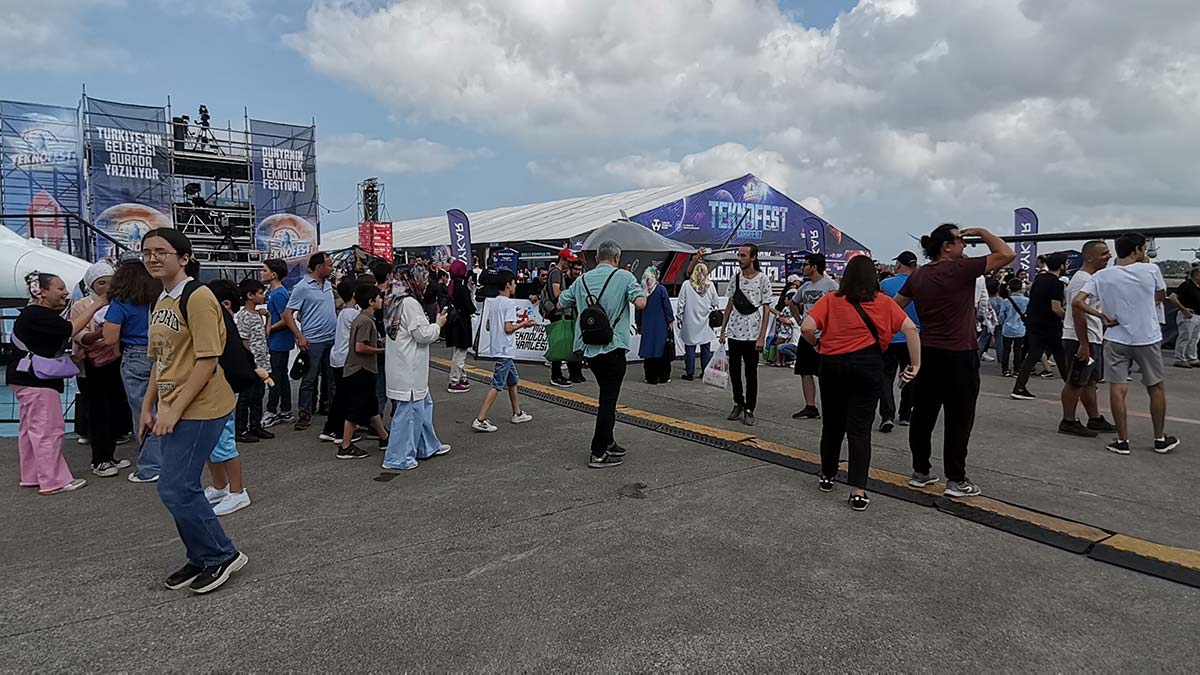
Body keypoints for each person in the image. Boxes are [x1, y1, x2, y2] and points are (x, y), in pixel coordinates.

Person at [138, 228, 247, 594]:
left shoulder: (197, 296)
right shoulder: (161, 299)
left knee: (176, 487)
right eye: (147, 251)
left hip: (201, 406)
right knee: (177, 487)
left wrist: (172, 409)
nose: (153, 258)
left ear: (184, 258)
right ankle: (202, 554)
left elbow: (207, 360)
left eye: (161, 251)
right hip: (174, 404)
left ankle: (221, 554)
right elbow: (160, 359)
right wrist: (148, 406)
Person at [894, 223, 1015, 497]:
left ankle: (921, 471)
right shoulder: (962, 269)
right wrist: (983, 233)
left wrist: (910, 331)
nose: (965, 245)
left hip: (927, 351)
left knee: (923, 415)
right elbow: (1006, 254)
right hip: (959, 353)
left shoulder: (919, 275)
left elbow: (894, 307)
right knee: (959, 418)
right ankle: (956, 479)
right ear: (946, 246)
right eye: (961, 241)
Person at [801, 256, 920, 511]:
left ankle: (827, 475)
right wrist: (916, 364)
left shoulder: (831, 301)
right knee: (860, 429)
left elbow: (807, 327)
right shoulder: (885, 303)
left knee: (832, 425)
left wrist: (816, 344)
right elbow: (910, 329)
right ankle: (857, 490)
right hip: (868, 366)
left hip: (832, 366)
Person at [1072, 233, 1178, 455]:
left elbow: (1077, 301)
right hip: (1146, 337)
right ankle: (1159, 438)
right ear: (1138, 249)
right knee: (1155, 387)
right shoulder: (1151, 270)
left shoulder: (1103, 276)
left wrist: (1102, 317)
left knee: (1117, 389)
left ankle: (1122, 441)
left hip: (1115, 337)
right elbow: (1159, 296)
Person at [8, 272, 108, 494]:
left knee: (30, 430)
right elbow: (70, 329)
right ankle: (53, 480)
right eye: (60, 288)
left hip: (23, 378)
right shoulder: (38, 314)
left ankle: (33, 475)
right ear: (42, 292)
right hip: (37, 382)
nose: (64, 293)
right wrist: (98, 303)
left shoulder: (31, 315)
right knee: (48, 430)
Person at [557, 240, 647, 467]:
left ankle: (608, 442)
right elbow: (641, 303)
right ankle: (598, 452)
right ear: (617, 258)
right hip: (613, 347)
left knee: (607, 395)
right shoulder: (625, 277)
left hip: (589, 350)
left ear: (597, 259)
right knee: (608, 400)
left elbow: (561, 302)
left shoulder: (581, 280)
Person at [382, 265, 450, 471]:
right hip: (409, 368)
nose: (426, 282)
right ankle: (398, 457)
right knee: (409, 413)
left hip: (401, 365)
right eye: (423, 277)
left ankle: (426, 445)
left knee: (421, 407)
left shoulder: (393, 299)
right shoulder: (410, 303)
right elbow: (423, 335)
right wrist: (438, 324)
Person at [103, 253, 164, 482]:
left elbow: (109, 337)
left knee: (144, 412)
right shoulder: (159, 295)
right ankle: (172, 460)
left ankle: (151, 467)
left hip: (136, 355)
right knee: (167, 408)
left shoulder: (122, 300)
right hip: (164, 353)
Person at [74, 261, 134, 477]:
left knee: (115, 409)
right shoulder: (82, 306)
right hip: (92, 366)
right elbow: (79, 336)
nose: (107, 287)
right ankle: (100, 459)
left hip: (116, 361)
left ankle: (110, 455)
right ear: (91, 284)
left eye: (111, 282)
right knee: (98, 411)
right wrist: (102, 332)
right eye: (101, 283)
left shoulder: (120, 303)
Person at [204, 279, 254, 517]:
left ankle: (237, 490)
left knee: (223, 441)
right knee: (209, 441)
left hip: (221, 388)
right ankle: (219, 485)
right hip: (209, 389)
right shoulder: (216, 319)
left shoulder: (221, 322)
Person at [1059, 241, 1118, 437]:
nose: (1108, 257)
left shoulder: (1091, 279)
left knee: (1089, 381)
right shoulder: (1082, 280)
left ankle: (1094, 419)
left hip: (1092, 337)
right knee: (1075, 382)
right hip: (1079, 338)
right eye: (1103, 254)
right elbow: (1077, 312)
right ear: (1089, 257)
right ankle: (1068, 421)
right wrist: (1083, 344)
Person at [472, 270, 536, 432]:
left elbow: (487, 325)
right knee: (497, 384)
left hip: (497, 347)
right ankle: (481, 418)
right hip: (505, 349)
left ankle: (517, 412)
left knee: (513, 380)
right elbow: (508, 328)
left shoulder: (494, 302)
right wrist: (524, 324)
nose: (515, 286)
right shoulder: (509, 304)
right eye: (514, 283)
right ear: (508, 284)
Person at [283, 251, 337, 431]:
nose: (331, 268)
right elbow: (288, 314)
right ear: (319, 267)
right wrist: (299, 336)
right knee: (309, 379)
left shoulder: (328, 284)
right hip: (313, 341)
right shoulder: (302, 287)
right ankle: (304, 413)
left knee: (331, 378)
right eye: (329, 265)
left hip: (331, 338)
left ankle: (329, 407)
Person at [336, 284, 392, 460]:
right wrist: (381, 351)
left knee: (371, 406)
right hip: (360, 369)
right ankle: (345, 446)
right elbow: (360, 347)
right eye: (379, 298)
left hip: (360, 369)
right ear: (371, 302)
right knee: (356, 408)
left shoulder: (362, 318)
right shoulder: (366, 321)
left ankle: (384, 437)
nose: (381, 301)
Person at [720, 244, 772, 426]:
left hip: (752, 333)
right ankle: (738, 402)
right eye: (739, 255)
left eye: (743, 256)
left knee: (751, 373)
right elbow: (729, 305)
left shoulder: (763, 279)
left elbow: (766, 310)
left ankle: (750, 408)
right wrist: (723, 329)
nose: (740, 259)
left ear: (753, 258)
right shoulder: (735, 279)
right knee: (734, 371)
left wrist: (762, 336)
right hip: (735, 332)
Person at [1011, 253, 1069, 400]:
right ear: (1061, 266)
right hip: (1049, 325)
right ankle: (1073, 388)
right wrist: (1067, 318)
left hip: (1034, 323)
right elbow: (1056, 308)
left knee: (1033, 355)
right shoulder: (1056, 283)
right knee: (1060, 356)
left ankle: (1019, 387)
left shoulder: (1039, 279)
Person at [788, 253, 839, 420]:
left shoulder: (831, 285)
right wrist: (799, 320)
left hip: (825, 335)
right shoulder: (805, 287)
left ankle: (831, 406)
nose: (803, 267)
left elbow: (841, 306)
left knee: (826, 373)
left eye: (806, 264)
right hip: (807, 334)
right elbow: (793, 303)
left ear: (814, 267)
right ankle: (810, 406)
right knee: (805, 371)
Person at [878, 251, 920, 431]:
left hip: (890, 336)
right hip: (914, 337)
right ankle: (905, 414)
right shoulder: (921, 284)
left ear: (899, 265)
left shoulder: (886, 284)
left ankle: (887, 415)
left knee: (885, 377)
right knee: (910, 373)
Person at [233, 278, 275, 444]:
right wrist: (249, 362)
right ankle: (241, 429)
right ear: (249, 295)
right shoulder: (243, 316)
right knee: (246, 396)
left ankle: (255, 425)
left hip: (262, 361)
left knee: (259, 394)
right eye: (260, 293)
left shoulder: (258, 314)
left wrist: (268, 319)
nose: (263, 296)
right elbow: (244, 341)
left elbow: (265, 336)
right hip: (251, 363)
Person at [318, 281, 359, 444]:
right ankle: (342, 432)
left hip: (337, 357)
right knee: (347, 397)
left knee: (340, 396)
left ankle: (330, 429)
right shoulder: (353, 314)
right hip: (346, 359)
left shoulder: (343, 312)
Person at [260, 259, 294, 429]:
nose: (261, 272)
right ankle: (286, 409)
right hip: (277, 340)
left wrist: (268, 330)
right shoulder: (273, 292)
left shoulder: (279, 294)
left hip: (279, 341)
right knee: (281, 375)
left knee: (275, 376)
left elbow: (284, 319)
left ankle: (272, 411)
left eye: (264, 270)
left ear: (273, 274)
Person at [544, 249, 584, 387]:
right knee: (559, 344)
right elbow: (557, 294)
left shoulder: (555, 272)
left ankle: (558, 374)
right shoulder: (556, 273)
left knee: (560, 343)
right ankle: (556, 375)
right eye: (569, 262)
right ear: (562, 260)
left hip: (556, 313)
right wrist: (571, 294)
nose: (570, 265)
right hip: (558, 313)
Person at [676, 262, 719, 380]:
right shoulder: (710, 286)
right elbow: (716, 302)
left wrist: (679, 318)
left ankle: (690, 373)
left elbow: (681, 303)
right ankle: (705, 371)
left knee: (689, 347)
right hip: (705, 322)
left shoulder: (686, 285)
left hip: (689, 321)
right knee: (706, 348)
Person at [636, 266, 675, 384]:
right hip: (661, 326)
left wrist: (639, 323)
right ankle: (663, 377)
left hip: (647, 326)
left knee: (649, 352)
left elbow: (638, 308)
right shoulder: (661, 289)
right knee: (662, 351)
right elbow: (667, 307)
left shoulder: (641, 291)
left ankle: (651, 377)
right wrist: (670, 320)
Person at [444, 259, 476, 392]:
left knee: (457, 352)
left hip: (453, 324)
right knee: (460, 354)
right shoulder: (462, 289)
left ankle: (462, 377)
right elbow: (471, 308)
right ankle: (454, 381)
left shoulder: (451, 286)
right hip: (462, 324)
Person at [1168, 265, 1200, 367]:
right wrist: (1183, 309)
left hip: (1197, 316)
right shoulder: (1186, 285)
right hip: (1188, 315)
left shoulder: (1198, 287)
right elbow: (1173, 297)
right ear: (1197, 275)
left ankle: (1192, 357)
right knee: (1185, 337)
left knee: (1194, 338)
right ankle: (1180, 358)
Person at [996, 278, 1029, 378]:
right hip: (1021, 328)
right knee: (1018, 349)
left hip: (1007, 328)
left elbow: (1001, 316)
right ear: (1021, 288)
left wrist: (1002, 323)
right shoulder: (1027, 301)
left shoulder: (1006, 301)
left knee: (1006, 349)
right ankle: (1017, 369)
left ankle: (1005, 369)